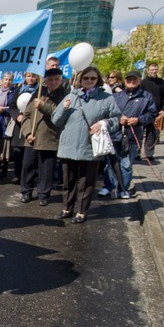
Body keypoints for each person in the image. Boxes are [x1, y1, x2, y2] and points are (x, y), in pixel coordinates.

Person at [51, 66, 121, 224]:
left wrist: (104, 123)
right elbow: (56, 120)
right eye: (86, 78)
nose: (89, 81)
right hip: (68, 146)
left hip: (90, 148)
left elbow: (117, 119)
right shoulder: (71, 96)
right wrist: (63, 107)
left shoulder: (106, 98)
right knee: (68, 181)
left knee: (86, 182)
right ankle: (67, 208)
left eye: (93, 78)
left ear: (98, 80)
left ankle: (82, 211)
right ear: (80, 80)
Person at [19, 68, 68, 206]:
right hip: (32, 138)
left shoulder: (64, 96)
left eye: (56, 79)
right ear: (45, 81)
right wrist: (28, 133)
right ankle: (26, 191)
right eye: (50, 79)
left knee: (46, 169)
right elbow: (27, 116)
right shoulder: (38, 92)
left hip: (50, 138)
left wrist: (43, 106)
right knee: (28, 166)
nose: (53, 82)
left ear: (61, 80)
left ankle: (43, 194)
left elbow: (59, 116)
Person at [109, 70, 157, 199]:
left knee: (126, 164)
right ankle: (111, 187)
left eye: (134, 79)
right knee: (111, 163)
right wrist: (118, 118)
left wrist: (139, 120)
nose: (131, 81)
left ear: (139, 80)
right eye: (129, 79)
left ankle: (123, 188)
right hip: (115, 134)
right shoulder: (116, 96)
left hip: (132, 135)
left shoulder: (146, 97)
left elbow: (152, 114)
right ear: (125, 81)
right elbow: (109, 112)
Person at [7, 72, 39, 184]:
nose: (31, 78)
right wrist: (17, 116)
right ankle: (17, 174)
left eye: (33, 76)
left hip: (32, 124)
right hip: (19, 125)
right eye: (29, 76)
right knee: (17, 151)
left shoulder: (39, 91)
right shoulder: (19, 90)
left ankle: (29, 176)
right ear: (25, 77)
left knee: (29, 153)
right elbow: (12, 107)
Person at [140, 62, 164, 160]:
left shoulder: (161, 82)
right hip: (144, 112)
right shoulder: (143, 82)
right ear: (148, 70)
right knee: (139, 133)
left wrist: (163, 110)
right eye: (151, 69)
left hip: (156, 112)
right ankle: (136, 154)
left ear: (158, 70)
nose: (153, 71)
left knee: (152, 134)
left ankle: (149, 154)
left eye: (155, 69)